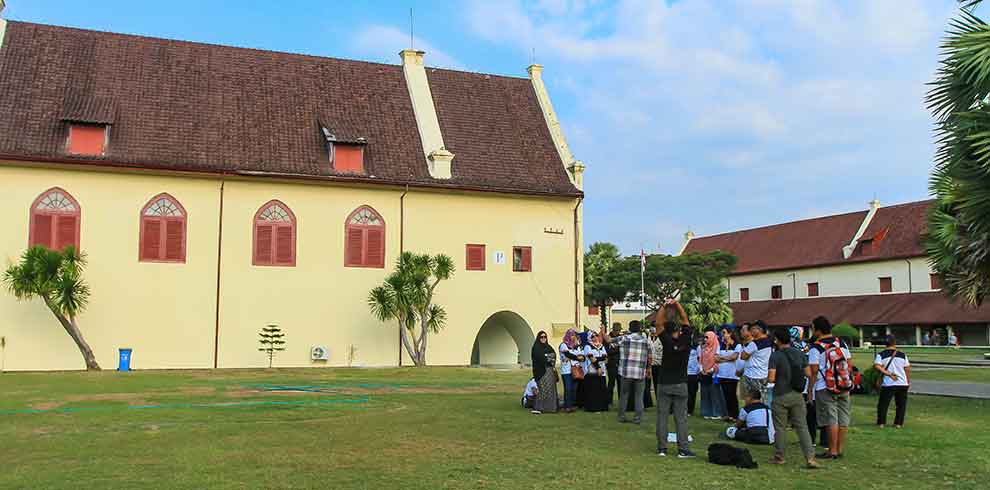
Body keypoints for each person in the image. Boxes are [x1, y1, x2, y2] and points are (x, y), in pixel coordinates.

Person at [767, 328, 819, 468]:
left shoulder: (775, 356)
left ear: (777, 340)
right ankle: (810, 458)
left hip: (780, 395)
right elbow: (808, 373)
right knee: (802, 427)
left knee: (780, 428)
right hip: (797, 395)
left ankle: (779, 457)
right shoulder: (799, 354)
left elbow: (771, 378)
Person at [654, 299, 696, 458]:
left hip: (664, 383)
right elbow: (685, 320)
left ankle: (662, 448)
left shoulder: (666, 341)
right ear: (678, 330)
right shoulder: (686, 340)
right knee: (681, 418)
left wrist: (664, 306)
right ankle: (683, 449)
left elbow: (658, 324)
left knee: (662, 416)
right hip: (680, 383)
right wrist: (677, 304)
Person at [808, 316, 852, 460]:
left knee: (830, 419)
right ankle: (839, 449)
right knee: (843, 418)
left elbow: (813, 371)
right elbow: (849, 364)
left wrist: (810, 390)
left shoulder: (816, 347)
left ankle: (831, 451)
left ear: (818, 330)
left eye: (813, 327)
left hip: (824, 386)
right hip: (843, 385)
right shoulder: (841, 343)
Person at [602, 320, 651, 424]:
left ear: (630, 328)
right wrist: (648, 368)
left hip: (626, 372)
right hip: (640, 372)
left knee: (624, 395)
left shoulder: (624, 338)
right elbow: (650, 356)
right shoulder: (645, 340)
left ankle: (621, 416)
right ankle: (637, 418)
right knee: (639, 396)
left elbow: (609, 340)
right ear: (639, 328)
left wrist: (602, 331)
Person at [875, 336, 910, 428]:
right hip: (902, 382)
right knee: (901, 405)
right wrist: (908, 381)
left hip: (888, 383)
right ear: (894, 343)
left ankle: (881, 422)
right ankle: (898, 423)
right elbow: (907, 369)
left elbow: (877, 366)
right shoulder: (902, 355)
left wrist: (887, 373)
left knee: (883, 404)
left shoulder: (881, 354)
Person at [740, 321, 772, 403]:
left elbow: (743, 356)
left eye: (753, 329)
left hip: (752, 375)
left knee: (750, 398)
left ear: (759, 330)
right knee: (763, 398)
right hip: (763, 374)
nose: (751, 331)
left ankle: (750, 413)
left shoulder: (754, 344)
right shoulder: (769, 341)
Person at [698, 330, 726, 420]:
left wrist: (711, 370)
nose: (705, 339)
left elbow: (717, 361)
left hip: (714, 374)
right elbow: (700, 360)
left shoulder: (717, 347)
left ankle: (717, 413)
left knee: (715, 394)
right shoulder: (703, 348)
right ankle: (706, 412)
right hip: (704, 373)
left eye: (707, 337)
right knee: (704, 393)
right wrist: (702, 369)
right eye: (705, 337)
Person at [716, 326, 742, 421]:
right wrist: (726, 358)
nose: (722, 335)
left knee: (732, 395)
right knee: (725, 395)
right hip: (722, 374)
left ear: (730, 333)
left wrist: (722, 359)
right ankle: (729, 414)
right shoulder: (721, 345)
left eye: (724, 332)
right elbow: (716, 358)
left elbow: (734, 357)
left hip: (732, 375)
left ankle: (735, 415)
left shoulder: (737, 345)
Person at [530, 331, 558, 414]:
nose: (543, 339)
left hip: (549, 372)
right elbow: (541, 358)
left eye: (545, 337)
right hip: (541, 372)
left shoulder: (548, 347)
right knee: (543, 390)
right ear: (538, 338)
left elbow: (553, 355)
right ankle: (539, 408)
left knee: (551, 390)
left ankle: (551, 408)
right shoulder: (536, 348)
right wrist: (548, 358)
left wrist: (547, 357)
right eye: (541, 337)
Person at [558, 329, 585, 413]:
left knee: (574, 389)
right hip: (566, 371)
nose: (573, 337)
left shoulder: (575, 346)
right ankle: (567, 406)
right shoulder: (563, 345)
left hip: (575, 369)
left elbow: (582, 356)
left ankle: (571, 405)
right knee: (568, 389)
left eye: (574, 335)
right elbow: (567, 354)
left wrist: (574, 357)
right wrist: (576, 357)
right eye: (571, 335)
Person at [582, 332, 610, 412]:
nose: (595, 338)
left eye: (596, 335)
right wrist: (598, 367)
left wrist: (597, 359)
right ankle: (593, 408)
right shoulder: (587, 346)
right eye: (592, 336)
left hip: (602, 371)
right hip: (592, 372)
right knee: (593, 391)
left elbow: (606, 358)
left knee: (601, 389)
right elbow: (591, 358)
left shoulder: (601, 346)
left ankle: (602, 407)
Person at [606, 323, 622, 407]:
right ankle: (609, 401)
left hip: (620, 364)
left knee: (621, 384)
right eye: (616, 330)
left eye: (619, 330)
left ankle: (621, 401)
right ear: (613, 330)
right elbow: (607, 351)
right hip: (611, 364)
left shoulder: (621, 338)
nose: (617, 332)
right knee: (611, 384)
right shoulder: (608, 338)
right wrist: (618, 349)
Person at [686, 336, 700, 416]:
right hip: (685, 372)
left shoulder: (697, 347)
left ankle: (690, 410)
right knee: (685, 392)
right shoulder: (684, 345)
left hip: (693, 373)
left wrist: (698, 369)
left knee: (692, 392)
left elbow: (699, 358)